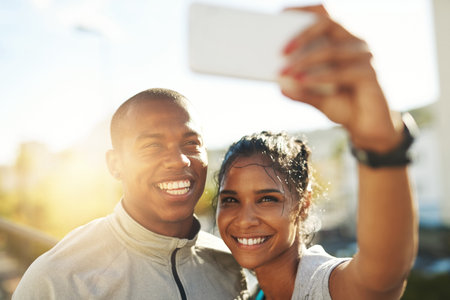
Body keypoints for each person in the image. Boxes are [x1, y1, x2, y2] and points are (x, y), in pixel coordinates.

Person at [215, 5, 418, 300]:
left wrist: (380, 146)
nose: (245, 219)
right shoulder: (251, 293)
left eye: (267, 199)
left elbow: (381, 276)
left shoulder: (324, 285)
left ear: (304, 204)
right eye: (230, 200)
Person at [13, 88, 249, 299]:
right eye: (152, 146)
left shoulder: (229, 263)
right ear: (115, 164)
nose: (179, 160)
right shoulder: (59, 278)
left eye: (191, 143)